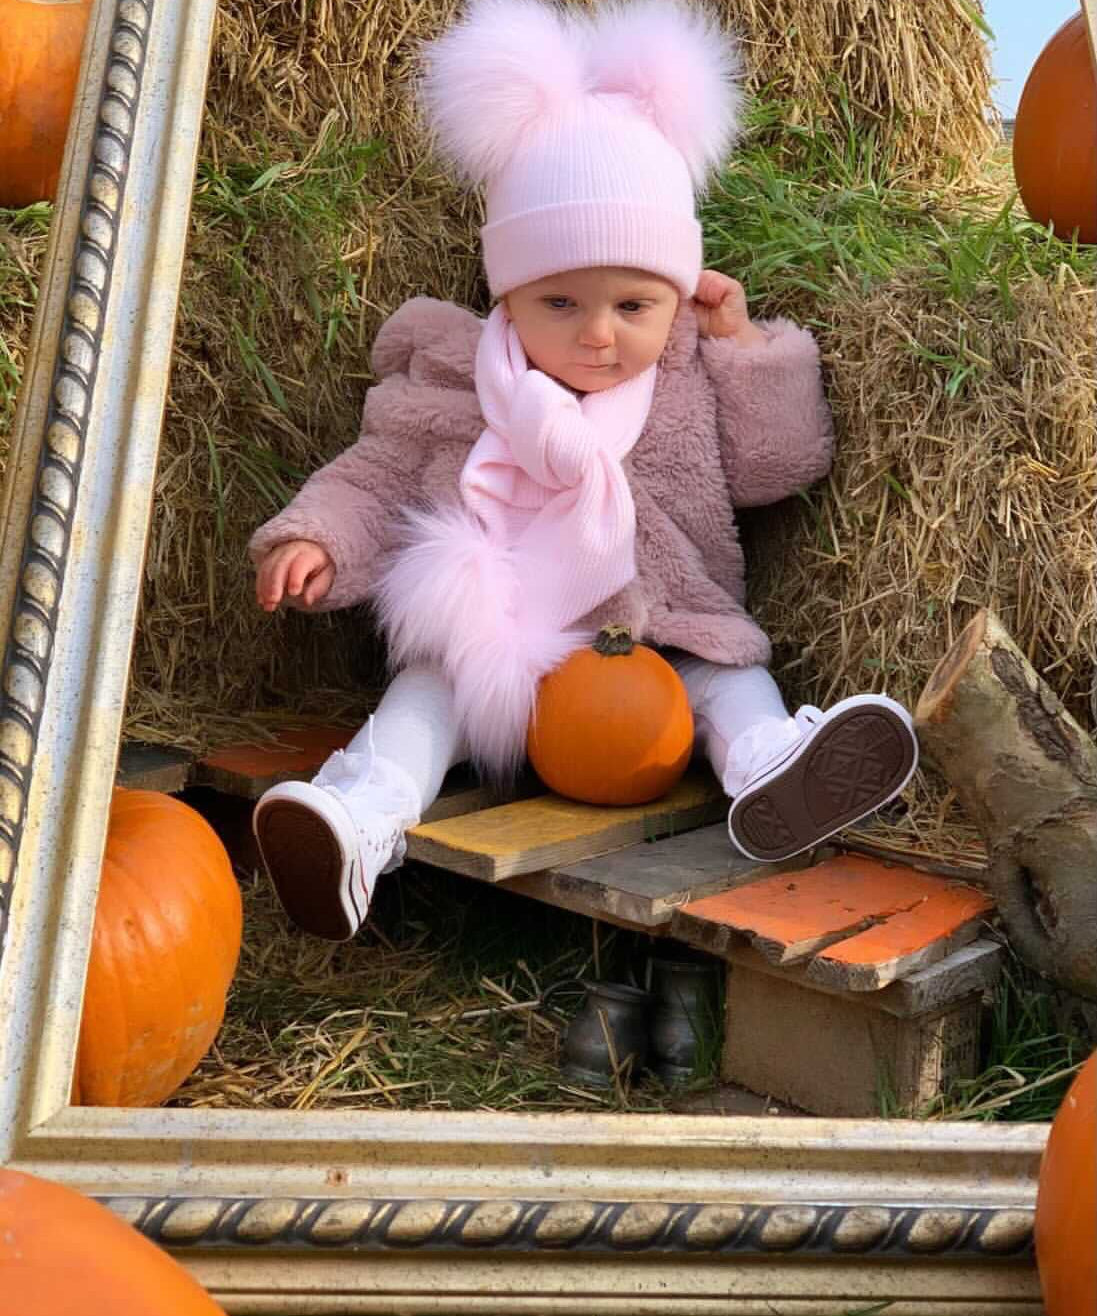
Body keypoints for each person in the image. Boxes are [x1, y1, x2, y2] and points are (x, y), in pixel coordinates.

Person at [247, 0, 919, 942]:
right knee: (422, 699)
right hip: (505, 657)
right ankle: (359, 820)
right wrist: (316, 537)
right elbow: (377, 474)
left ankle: (772, 766)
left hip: (662, 640)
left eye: (633, 304)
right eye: (558, 301)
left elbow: (778, 465)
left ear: (677, 294)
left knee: (729, 679)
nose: (597, 335)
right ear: (507, 294)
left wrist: (742, 345)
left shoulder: (689, 372)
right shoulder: (456, 378)